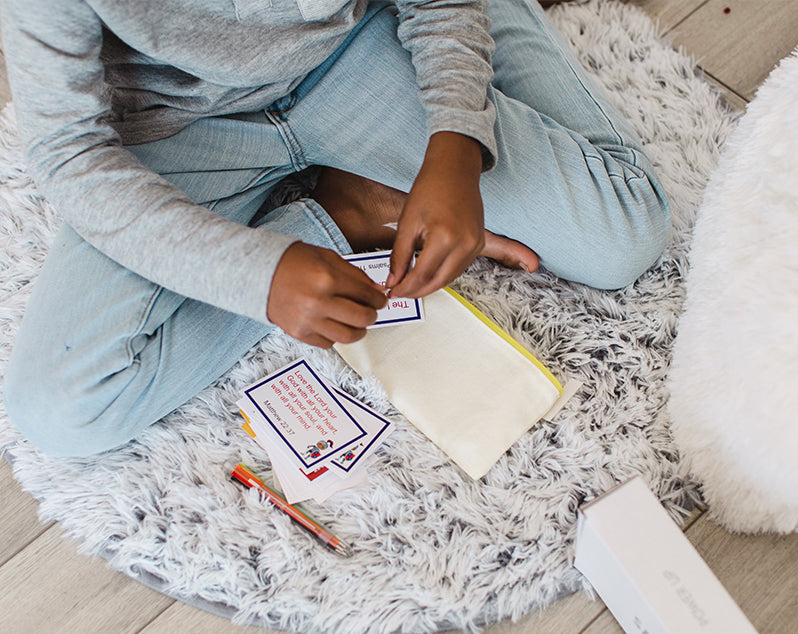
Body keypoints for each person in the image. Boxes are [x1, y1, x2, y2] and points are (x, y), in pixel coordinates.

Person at [0, 0, 670, 457]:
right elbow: (70, 153)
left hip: (353, 54)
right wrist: (261, 272)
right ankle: (350, 200)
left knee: (623, 235)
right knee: (63, 408)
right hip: (179, 126)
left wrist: (457, 141)